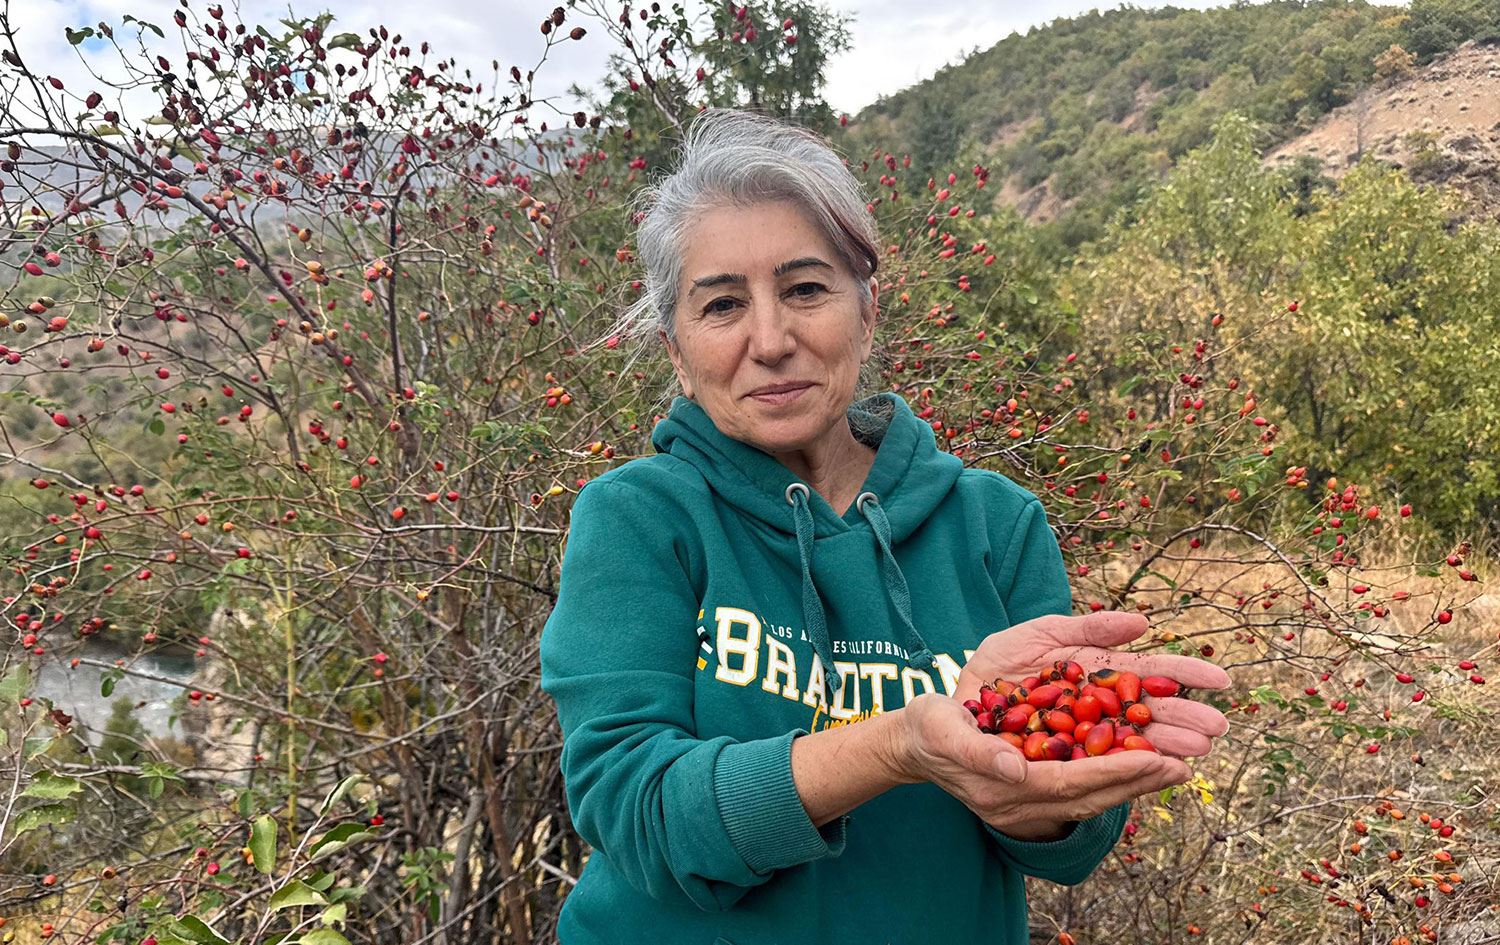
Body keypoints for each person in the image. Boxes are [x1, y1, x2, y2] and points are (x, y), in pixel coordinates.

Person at [539, 107, 1230, 945]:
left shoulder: (993, 523)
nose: (771, 339)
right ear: (677, 351)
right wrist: (899, 744)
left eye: (805, 289)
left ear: (865, 313)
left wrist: (1034, 795)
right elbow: (636, 810)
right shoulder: (638, 519)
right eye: (722, 304)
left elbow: (1071, 847)